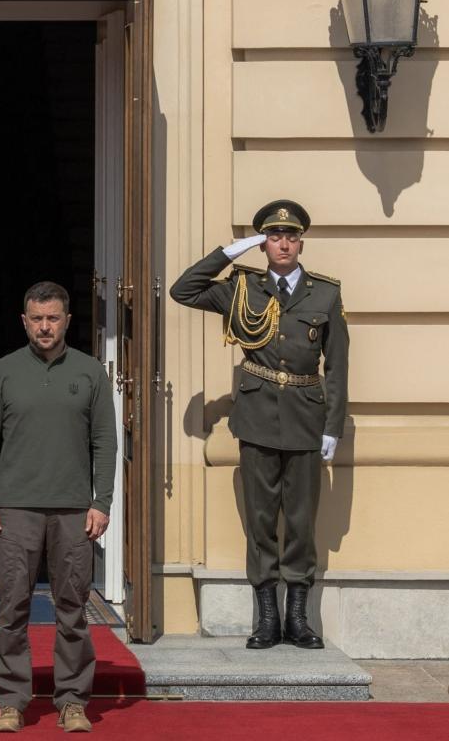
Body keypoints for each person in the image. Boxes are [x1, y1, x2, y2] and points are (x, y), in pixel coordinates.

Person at [171, 199, 348, 650]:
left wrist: (333, 426)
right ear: (263, 243)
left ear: (300, 242)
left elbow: (338, 367)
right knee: (262, 519)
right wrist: (232, 251)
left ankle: (298, 619)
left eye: (290, 237)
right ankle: (267, 618)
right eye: (273, 237)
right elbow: (183, 290)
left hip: (307, 419)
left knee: (303, 520)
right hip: (256, 419)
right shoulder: (241, 289)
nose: (282, 243)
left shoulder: (324, 293)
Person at [0, 281, 117, 734]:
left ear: (67, 320)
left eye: (53, 318)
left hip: (74, 510)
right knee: (11, 607)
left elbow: (105, 442)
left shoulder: (91, 371)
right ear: (24, 320)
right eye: (36, 318)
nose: (44, 327)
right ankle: (11, 700)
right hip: (15, 510)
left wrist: (101, 501)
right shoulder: (2, 371)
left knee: (72, 608)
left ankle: (73, 700)